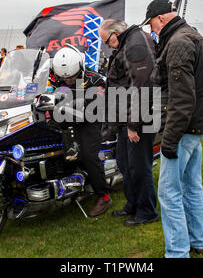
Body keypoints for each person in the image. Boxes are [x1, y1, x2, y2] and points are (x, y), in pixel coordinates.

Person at [142, 0, 203, 257]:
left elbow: (182, 98)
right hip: (195, 127)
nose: (151, 30)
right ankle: (196, 240)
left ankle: (177, 252)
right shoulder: (191, 35)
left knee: (169, 192)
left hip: (183, 129)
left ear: (160, 18)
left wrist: (169, 140)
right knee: (192, 186)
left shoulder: (178, 42)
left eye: (151, 24)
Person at [99, 19, 159, 227]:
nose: (107, 46)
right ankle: (133, 204)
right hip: (128, 116)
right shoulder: (128, 43)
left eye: (107, 41)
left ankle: (147, 211)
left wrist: (135, 124)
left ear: (116, 33)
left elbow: (142, 86)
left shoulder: (136, 44)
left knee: (139, 166)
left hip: (140, 118)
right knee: (125, 164)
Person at [51, 45, 112, 217]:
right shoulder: (56, 76)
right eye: (64, 78)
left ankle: (104, 196)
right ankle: (74, 185)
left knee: (88, 155)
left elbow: (98, 101)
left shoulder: (95, 79)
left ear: (80, 67)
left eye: (71, 77)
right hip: (66, 118)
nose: (68, 80)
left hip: (89, 120)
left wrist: (77, 104)